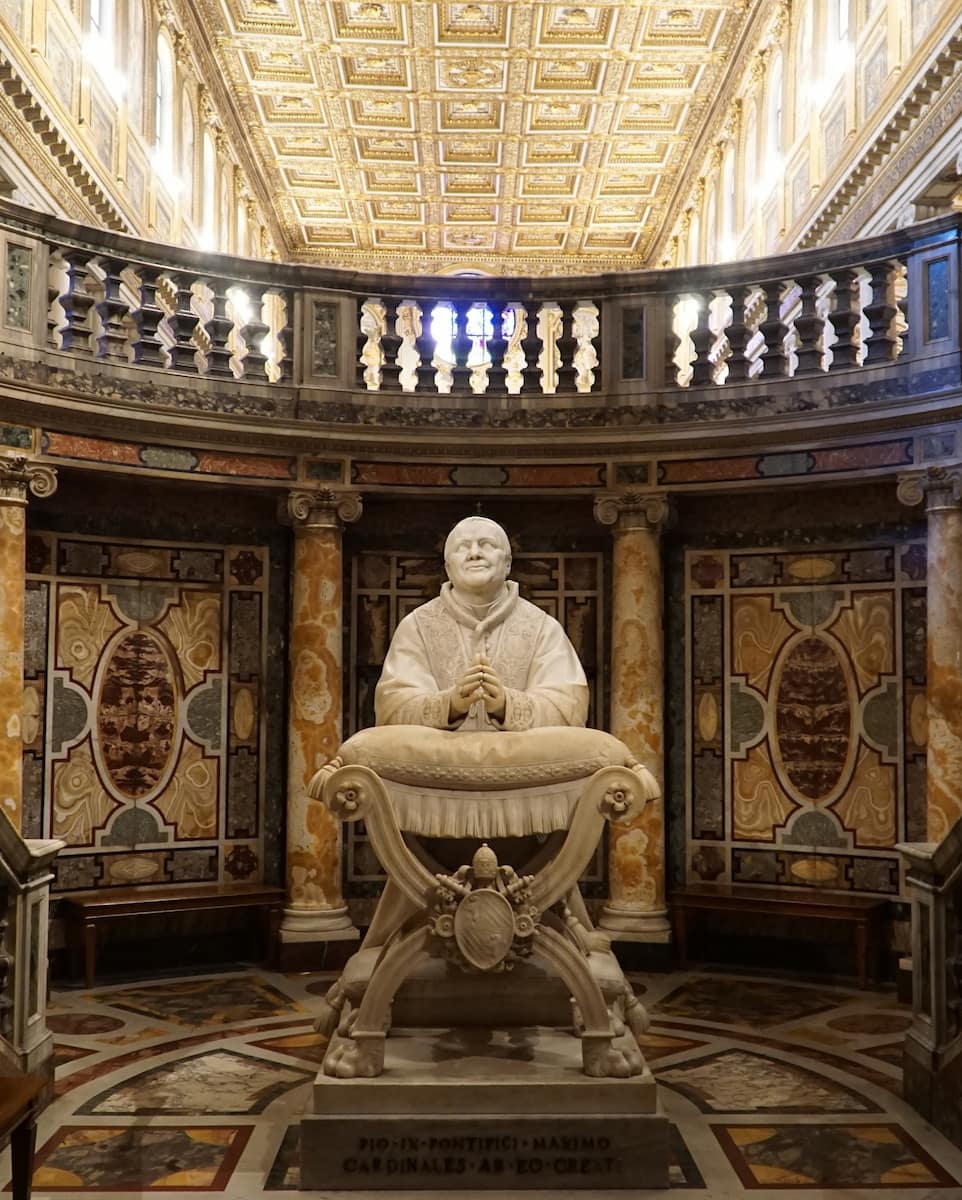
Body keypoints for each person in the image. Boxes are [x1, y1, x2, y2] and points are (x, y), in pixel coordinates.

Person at [374, 516, 589, 731]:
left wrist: (507, 705)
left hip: (518, 761)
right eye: (462, 547)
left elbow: (570, 709)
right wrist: (450, 705)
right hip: (438, 761)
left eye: (487, 545)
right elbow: (392, 708)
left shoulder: (543, 628)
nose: (475, 553)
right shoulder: (416, 627)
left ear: (507, 564)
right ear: (448, 568)